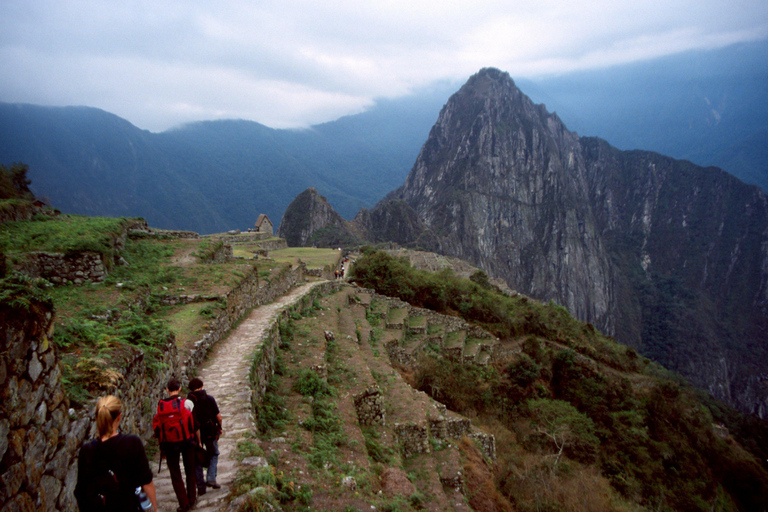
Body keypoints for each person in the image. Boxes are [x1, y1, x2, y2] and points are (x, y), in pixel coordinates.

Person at [75, 395, 157, 512]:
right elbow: (146, 481)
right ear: (119, 417)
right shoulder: (132, 443)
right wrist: (154, 508)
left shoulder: (87, 450)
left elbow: (81, 491)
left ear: (97, 417)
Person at [154, 378, 197, 512]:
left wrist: (161, 446)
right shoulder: (186, 403)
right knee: (190, 469)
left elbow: (157, 428)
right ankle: (192, 498)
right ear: (179, 389)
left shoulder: (160, 406)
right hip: (186, 441)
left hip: (169, 444)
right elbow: (194, 423)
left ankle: (183, 504)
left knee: (175, 473)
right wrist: (197, 441)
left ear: (167, 390)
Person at [187, 378, 223, 495]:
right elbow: (219, 417)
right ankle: (211, 478)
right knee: (214, 453)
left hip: (194, 434)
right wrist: (220, 427)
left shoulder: (187, 403)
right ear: (202, 386)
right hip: (210, 431)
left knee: (197, 459)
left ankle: (201, 487)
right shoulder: (209, 399)